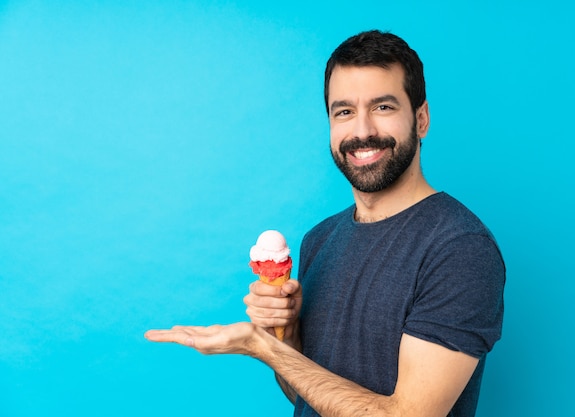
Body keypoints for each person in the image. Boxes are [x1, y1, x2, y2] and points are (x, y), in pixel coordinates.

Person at [145, 30, 505, 417]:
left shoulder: (460, 248)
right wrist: (285, 335)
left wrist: (262, 347)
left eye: (383, 107)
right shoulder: (320, 240)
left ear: (421, 119)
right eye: (344, 111)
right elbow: (308, 395)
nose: (362, 131)